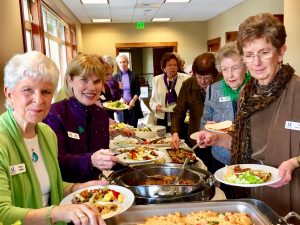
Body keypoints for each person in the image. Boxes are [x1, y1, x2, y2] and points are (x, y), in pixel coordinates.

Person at [196, 13, 300, 221]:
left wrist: (296, 161)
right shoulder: (247, 93)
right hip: (253, 190)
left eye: (264, 52)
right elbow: (245, 144)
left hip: (292, 190)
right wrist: (217, 139)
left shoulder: (297, 90)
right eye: (250, 54)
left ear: (280, 52)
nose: (257, 62)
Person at [0, 51, 107, 225]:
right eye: (27, 90)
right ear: (9, 94)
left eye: (46, 92)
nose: (38, 99)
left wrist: (79, 188)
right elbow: (2, 212)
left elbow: (53, 187)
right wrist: (57, 213)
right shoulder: (2, 140)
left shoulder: (46, 134)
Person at [44, 53, 117, 183]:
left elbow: (102, 154)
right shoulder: (55, 113)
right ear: (70, 80)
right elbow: (55, 160)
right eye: (84, 80)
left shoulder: (102, 116)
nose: (92, 88)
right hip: (64, 191)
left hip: (96, 188)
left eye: (97, 81)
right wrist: (90, 160)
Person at [200, 42, 249, 171]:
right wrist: (207, 129)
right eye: (225, 69)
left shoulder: (255, 88)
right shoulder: (213, 90)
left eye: (235, 68)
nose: (229, 75)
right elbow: (204, 122)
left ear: (245, 66)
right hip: (220, 158)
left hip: (249, 160)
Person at [171, 53, 218, 149]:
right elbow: (178, 111)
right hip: (196, 137)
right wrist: (175, 133)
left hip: (218, 140)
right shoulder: (188, 84)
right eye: (199, 77)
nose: (202, 81)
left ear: (214, 74)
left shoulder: (222, 84)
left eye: (207, 77)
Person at [150, 52, 190, 132]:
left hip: (179, 117)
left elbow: (189, 99)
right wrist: (155, 107)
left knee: (179, 140)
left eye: (175, 65)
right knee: (162, 141)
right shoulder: (156, 80)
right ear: (164, 67)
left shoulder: (185, 79)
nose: (173, 67)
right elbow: (152, 100)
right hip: (162, 117)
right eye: (170, 65)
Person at [113, 54, 143, 127]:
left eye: (124, 62)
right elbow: (115, 93)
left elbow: (138, 91)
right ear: (118, 64)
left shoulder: (134, 75)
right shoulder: (115, 77)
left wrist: (133, 100)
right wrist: (120, 99)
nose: (122, 64)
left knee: (133, 127)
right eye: (120, 62)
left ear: (127, 63)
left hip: (133, 105)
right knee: (122, 128)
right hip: (121, 106)